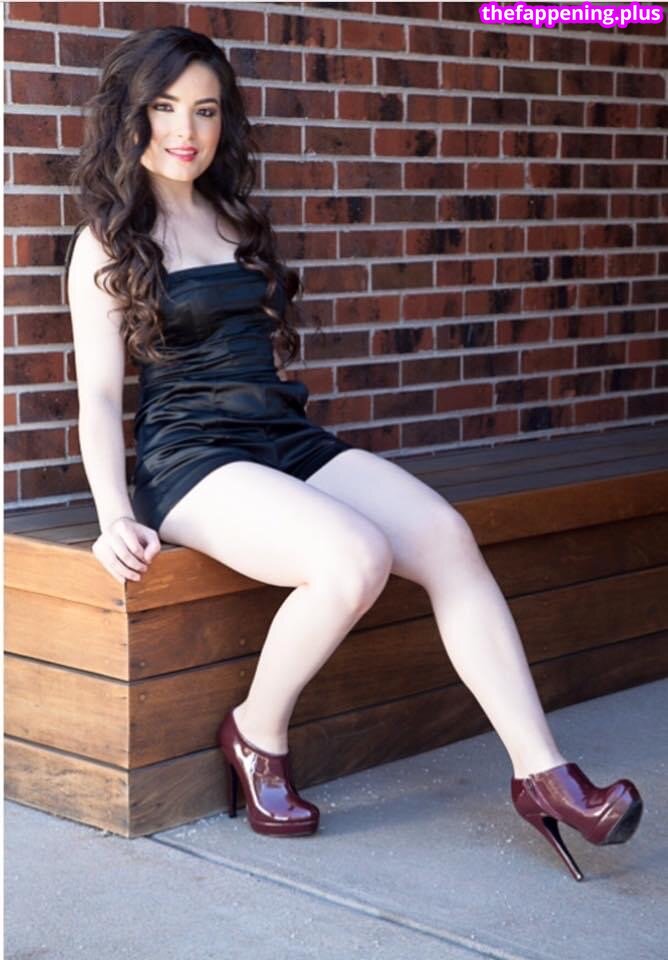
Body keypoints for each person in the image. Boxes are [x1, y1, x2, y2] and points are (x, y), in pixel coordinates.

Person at [64, 25, 642, 880]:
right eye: (166, 107)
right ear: (131, 114)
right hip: (192, 461)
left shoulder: (233, 216)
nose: (186, 130)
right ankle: (256, 732)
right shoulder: (108, 242)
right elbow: (99, 397)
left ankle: (542, 775)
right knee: (353, 557)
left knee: (444, 535)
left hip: (280, 436)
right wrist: (113, 515)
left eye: (207, 110)